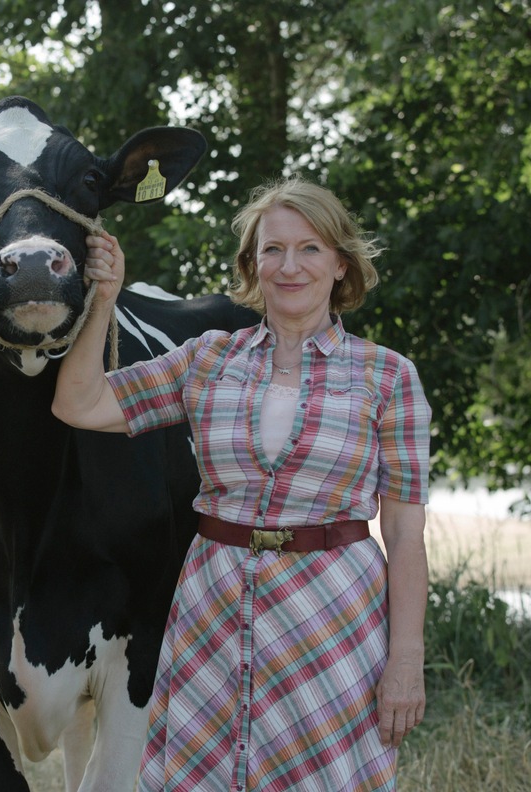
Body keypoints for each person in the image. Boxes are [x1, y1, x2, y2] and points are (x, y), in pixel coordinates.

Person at [52, 176, 430, 790]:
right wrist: (104, 299)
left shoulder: (388, 378)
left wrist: (406, 660)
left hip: (332, 622)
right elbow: (79, 402)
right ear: (252, 263)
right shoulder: (208, 359)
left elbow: (407, 538)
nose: (289, 265)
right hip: (213, 611)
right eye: (272, 249)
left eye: (310, 248)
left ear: (340, 264)